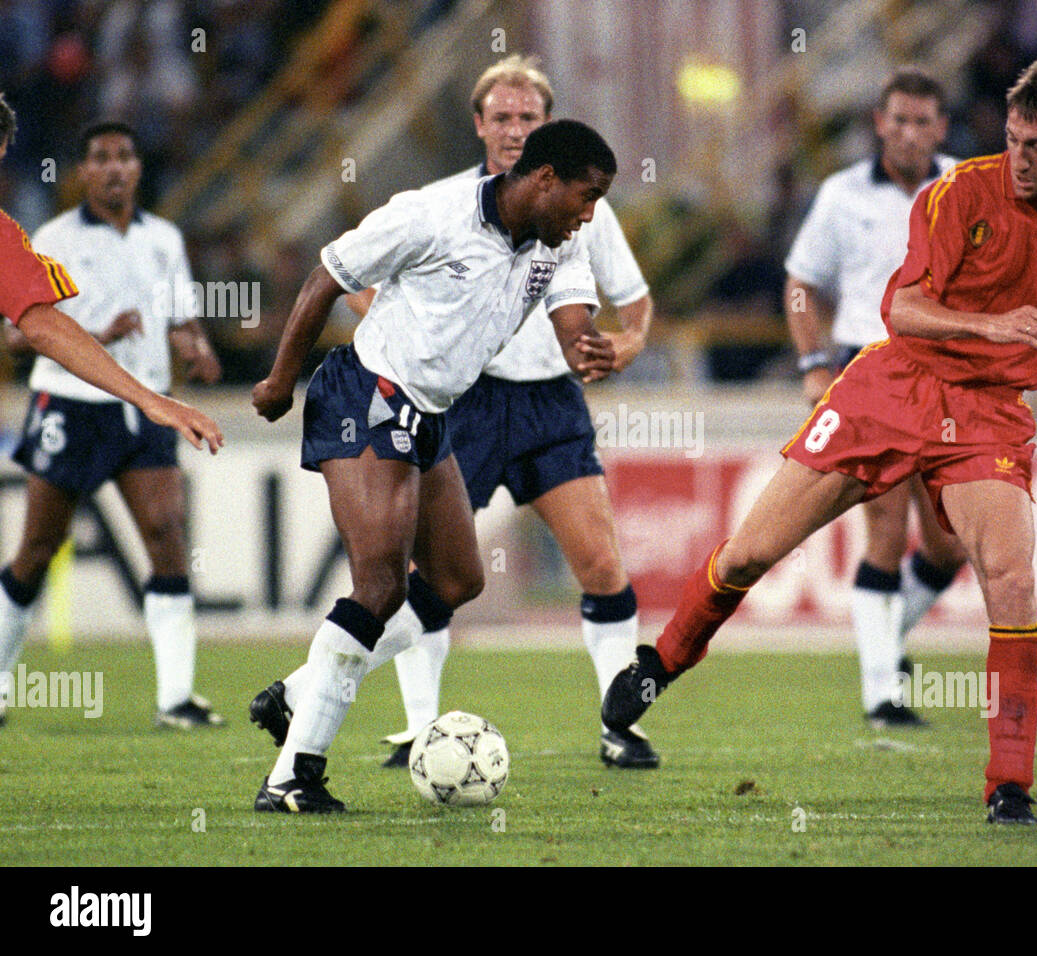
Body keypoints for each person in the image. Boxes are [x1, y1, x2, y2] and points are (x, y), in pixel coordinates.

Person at [602, 58, 1037, 825]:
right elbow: (904, 312)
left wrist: (1011, 352)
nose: (1019, 160)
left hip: (985, 411)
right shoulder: (956, 194)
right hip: (894, 385)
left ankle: (1009, 784)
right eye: (1013, 140)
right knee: (751, 552)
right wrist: (992, 326)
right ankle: (663, 661)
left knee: (1011, 584)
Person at [253, 55, 659, 770]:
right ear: (542, 175)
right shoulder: (431, 212)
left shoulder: (559, 238)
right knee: (380, 585)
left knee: (456, 581)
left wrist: (593, 350)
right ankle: (295, 774)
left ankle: (299, 691)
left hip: (454, 410)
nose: (591, 214)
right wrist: (281, 381)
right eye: (586, 197)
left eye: (526, 115)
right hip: (371, 397)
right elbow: (330, 276)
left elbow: (573, 323)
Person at [0, 101, 223, 728]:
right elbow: (22, 335)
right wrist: (99, 330)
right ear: (82, 173)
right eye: (100, 158)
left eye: (124, 156)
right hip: (69, 405)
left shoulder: (165, 239)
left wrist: (196, 350)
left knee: (165, 535)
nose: (114, 168)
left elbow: (181, 322)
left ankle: (176, 698)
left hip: (142, 407)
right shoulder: (51, 239)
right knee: (40, 546)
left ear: (139, 167)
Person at [785, 67, 965, 728]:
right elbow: (801, 282)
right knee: (885, 529)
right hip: (870, 365)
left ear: (941, 128)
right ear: (879, 124)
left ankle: (886, 645)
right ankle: (881, 695)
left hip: (946, 372)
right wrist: (812, 366)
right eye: (899, 119)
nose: (910, 132)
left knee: (951, 544)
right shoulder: (841, 195)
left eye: (923, 121)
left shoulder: (965, 189)